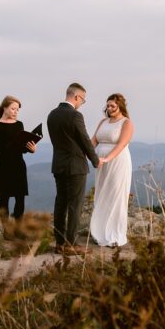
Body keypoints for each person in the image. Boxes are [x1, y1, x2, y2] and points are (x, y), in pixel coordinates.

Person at [47, 83, 102, 256]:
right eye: (83, 100)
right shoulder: (75, 116)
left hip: (59, 164)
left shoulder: (52, 115)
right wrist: (95, 160)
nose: (82, 103)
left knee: (60, 203)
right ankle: (71, 244)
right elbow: (85, 140)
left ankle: (59, 243)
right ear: (76, 97)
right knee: (75, 205)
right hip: (75, 166)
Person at [89, 93, 135, 248]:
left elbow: (121, 144)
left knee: (115, 194)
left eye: (112, 106)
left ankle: (114, 233)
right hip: (100, 164)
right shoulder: (103, 121)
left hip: (117, 162)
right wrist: (86, 154)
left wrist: (107, 158)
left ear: (120, 106)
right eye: (107, 106)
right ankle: (100, 231)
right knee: (102, 193)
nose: (109, 109)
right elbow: (94, 140)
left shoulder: (126, 123)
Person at [0, 95, 36, 240]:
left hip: (18, 165)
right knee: (4, 198)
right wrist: (12, 143)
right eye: (13, 108)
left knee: (20, 198)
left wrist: (31, 149)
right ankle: (6, 230)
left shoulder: (19, 125)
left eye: (17, 109)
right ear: (5, 108)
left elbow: (22, 148)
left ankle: (18, 229)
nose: (15, 112)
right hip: (3, 166)